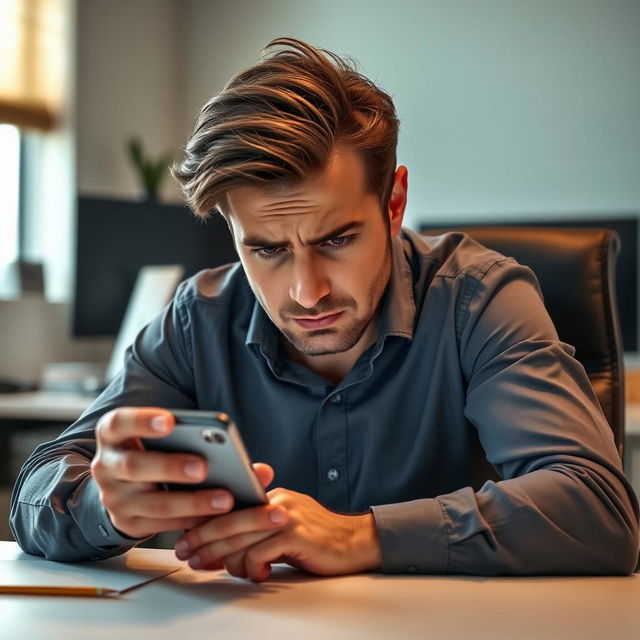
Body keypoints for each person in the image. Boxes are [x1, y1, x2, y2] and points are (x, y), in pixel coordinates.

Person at [10, 38, 639, 582]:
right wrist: (104, 504)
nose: (306, 293)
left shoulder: (480, 299)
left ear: (394, 205)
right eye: (267, 249)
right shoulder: (196, 318)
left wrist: (362, 536)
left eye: (336, 240)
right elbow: (41, 487)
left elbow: (598, 510)